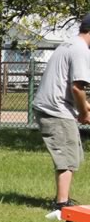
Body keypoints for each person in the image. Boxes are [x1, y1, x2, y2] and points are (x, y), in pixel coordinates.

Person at [32, 14, 90, 211]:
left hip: (51, 106)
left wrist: (85, 107)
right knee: (67, 157)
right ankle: (62, 205)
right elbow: (77, 88)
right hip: (56, 109)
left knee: (71, 154)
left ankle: (62, 201)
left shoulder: (69, 44)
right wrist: (84, 114)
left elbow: (68, 85)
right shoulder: (81, 50)